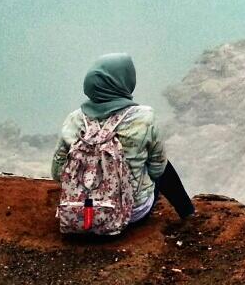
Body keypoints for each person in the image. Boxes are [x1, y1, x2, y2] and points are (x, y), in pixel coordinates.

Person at [52, 53, 166, 227]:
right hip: (130, 214)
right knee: (161, 163)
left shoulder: (73, 119)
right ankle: (188, 213)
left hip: (77, 214)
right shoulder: (145, 117)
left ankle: (89, 213)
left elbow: (57, 172)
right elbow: (157, 170)